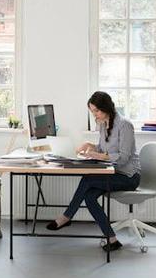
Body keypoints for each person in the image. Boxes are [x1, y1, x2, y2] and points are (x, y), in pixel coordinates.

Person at [46, 91, 141, 252]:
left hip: (129, 176)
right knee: (89, 198)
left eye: (97, 111)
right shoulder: (104, 123)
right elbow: (103, 149)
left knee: (88, 179)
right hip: (113, 172)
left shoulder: (125, 125)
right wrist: (89, 146)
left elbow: (123, 158)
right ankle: (112, 240)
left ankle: (67, 216)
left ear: (106, 108)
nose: (94, 114)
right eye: (92, 111)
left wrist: (97, 155)